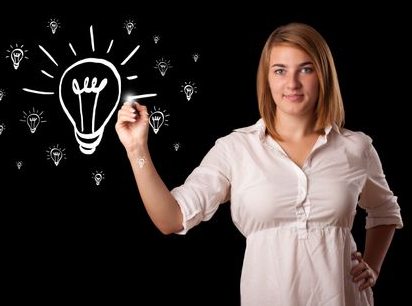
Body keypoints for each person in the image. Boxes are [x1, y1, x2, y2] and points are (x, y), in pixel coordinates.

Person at [115, 22, 403, 306]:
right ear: (266, 78)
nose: (292, 83)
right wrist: (136, 149)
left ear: (324, 75)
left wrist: (373, 267)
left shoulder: (356, 147)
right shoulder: (236, 149)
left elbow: (385, 210)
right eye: (280, 71)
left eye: (306, 68)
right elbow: (171, 218)